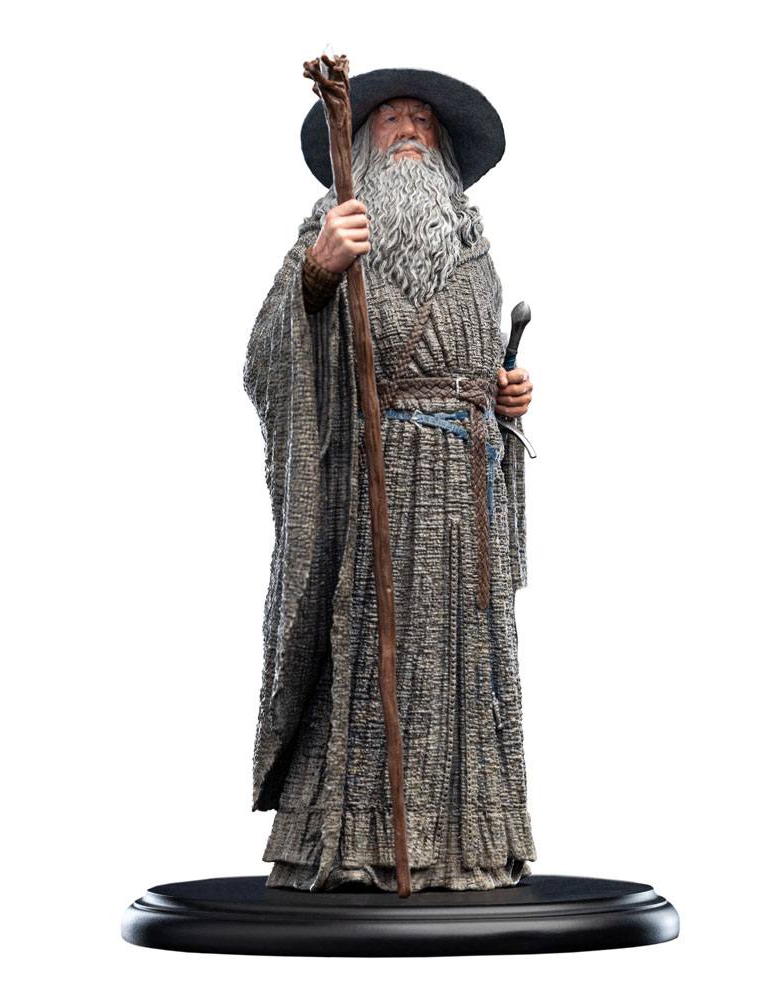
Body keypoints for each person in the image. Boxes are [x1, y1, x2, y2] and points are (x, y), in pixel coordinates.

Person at [243, 68, 535, 892]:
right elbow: (268, 355)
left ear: (444, 146)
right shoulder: (332, 230)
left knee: (466, 664)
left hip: (467, 496)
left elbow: (472, 360)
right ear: (364, 143)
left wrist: (502, 396)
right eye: (390, 119)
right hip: (385, 486)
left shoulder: (473, 247)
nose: (409, 130)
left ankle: (469, 847)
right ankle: (352, 842)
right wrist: (319, 273)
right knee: (375, 650)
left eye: (423, 121)